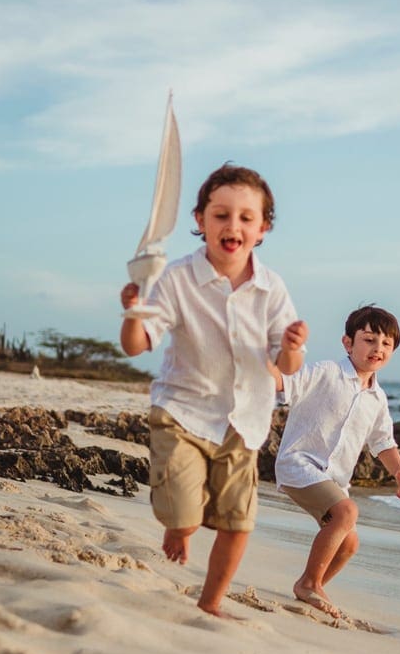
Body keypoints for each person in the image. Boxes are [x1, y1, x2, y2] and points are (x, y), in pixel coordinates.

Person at [120, 162, 308, 618]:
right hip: (182, 412)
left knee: (238, 522)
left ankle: (210, 602)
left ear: (263, 228)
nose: (233, 226)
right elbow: (136, 347)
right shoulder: (177, 278)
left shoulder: (271, 287)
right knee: (183, 516)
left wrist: (292, 347)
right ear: (199, 221)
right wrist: (132, 313)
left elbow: (285, 365)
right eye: (221, 215)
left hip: (244, 422)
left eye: (246, 217)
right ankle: (180, 526)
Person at [273, 305, 400, 618]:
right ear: (348, 343)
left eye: (386, 343)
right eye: (369, 339)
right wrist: (264, 365)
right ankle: (310, 582)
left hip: (334, 479)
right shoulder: (326, 372)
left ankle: (310, 585)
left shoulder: (377, 398)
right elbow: (286, 383)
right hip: (300, 464)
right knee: (347, 511)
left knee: (349, 544)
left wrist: (399, 470)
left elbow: (382, 440)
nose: (378, 348)